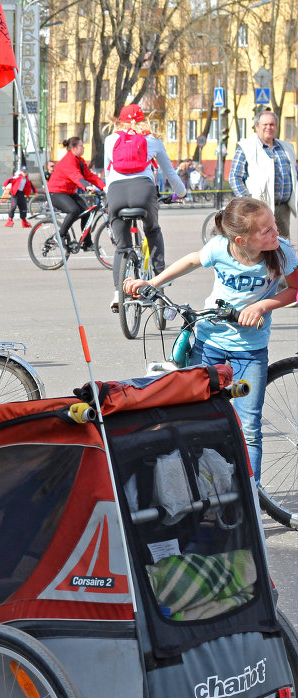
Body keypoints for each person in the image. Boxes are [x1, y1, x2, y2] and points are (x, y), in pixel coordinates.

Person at [123, 197, 296, 477]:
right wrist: (153, 283)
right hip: (209, 343)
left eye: (274, 225)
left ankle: (251, 494)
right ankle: (201, 487)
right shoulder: (219, 248)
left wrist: (262, 305)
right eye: (267, 231)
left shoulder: (282, 251)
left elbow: (294, 290)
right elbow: (192, 259)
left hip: (250, 350)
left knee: (248, 428)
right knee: (195, 420)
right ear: (241, 240)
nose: (276, 233)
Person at [104, 104, 187, 307]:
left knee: (122, 247)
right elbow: (170, 173)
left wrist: (110, 197)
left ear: (118, 121)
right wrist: (182, 192)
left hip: (116, 192)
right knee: (152, 231)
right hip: (144, 192)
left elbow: (107, 175)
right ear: (144, 120)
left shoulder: (110, 140)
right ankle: (162, 280)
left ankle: (117, 294)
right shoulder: (153, 140)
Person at [230, 110, 297, 238]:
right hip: (259, 208)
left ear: (276, 127)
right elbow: (235, 177)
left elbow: (294, 175)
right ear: (257, 127)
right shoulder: (246, 148)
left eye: (272, 124)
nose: (268, 127)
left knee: (283, 245)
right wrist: (248, 202)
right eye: (264, 124)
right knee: (261, 244)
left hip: (283, 208)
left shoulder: (286, 148)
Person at [45, 136, 105, 249]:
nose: (83, 148)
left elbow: (89, 176)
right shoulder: (68, 160)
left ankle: (87, 243)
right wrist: (87, 186)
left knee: (87, 212)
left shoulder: (79, 160)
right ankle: (60, 235)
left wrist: (104, 187)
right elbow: (76, 176)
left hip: (68, 192)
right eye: (81, 146)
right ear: (73, 148)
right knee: (74, 210)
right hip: (55, 192)